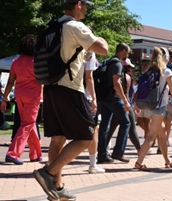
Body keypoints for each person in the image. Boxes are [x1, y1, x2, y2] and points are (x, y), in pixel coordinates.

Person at [32, 1, 109, 200]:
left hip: (50, 88)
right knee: (86, 136)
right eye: (85, 5)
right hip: (70, 89)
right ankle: (48, 173)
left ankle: (57, 188)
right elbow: (103, 49)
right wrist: (99, 38)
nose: (86, 8)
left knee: (58, 138)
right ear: (77, 4)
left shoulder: (54, 25)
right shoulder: (75, 26)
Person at [134, 47, 172, 171]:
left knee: (162, 135)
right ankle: (139, 162)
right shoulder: (166, 71)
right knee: (151, 136)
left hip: (150, 106)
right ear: (165, 57)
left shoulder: (149, 71)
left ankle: (167, 161)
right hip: (159, 107)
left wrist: (136, 105)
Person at [1, 34, 42, 165]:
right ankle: (13, 154)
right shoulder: (38, 62)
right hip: (33, 96)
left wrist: (5, 97)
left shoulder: (16, 62)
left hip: (19, 96)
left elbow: (10, 82)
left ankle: (35, 154)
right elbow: (43, 80)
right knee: (27, 124)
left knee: (30, 123)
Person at [97, 42, 131, 164]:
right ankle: (118, 153)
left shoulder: (107, 61)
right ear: (123, 51)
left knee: (104, 126)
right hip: (114, 98)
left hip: (104, 97)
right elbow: (116, 83)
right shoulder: (117, 63)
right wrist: (125, 101)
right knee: (126, 122)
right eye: (127, 52)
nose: (128, 55)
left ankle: (101, 155)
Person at [106, 58, 141, 153]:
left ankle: (102, 150)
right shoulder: (127, 78)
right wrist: (127, 105)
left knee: (111, 129)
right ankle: (139, 150)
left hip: (116, 104)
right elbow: (126, 94)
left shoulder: (116, 77)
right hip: (125, 106)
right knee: (132, 130)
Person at [83, 28, 105, 174]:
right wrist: (94, 99)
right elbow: (89, 77)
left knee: (63, 130)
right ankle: (93, 164)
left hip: (67, 92)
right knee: (93, 130)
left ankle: (54, 162)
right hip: (85, 95)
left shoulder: (69, 48)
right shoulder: (90, 52)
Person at [137, 57, 151, 140]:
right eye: (143, 65)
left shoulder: (151, 75)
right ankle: (152, 135)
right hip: (140, 100)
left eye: (146, 65)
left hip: (148, 101)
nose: (144, 66)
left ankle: (148, 141)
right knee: (139, 122)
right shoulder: (142, 76)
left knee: (146, 122)